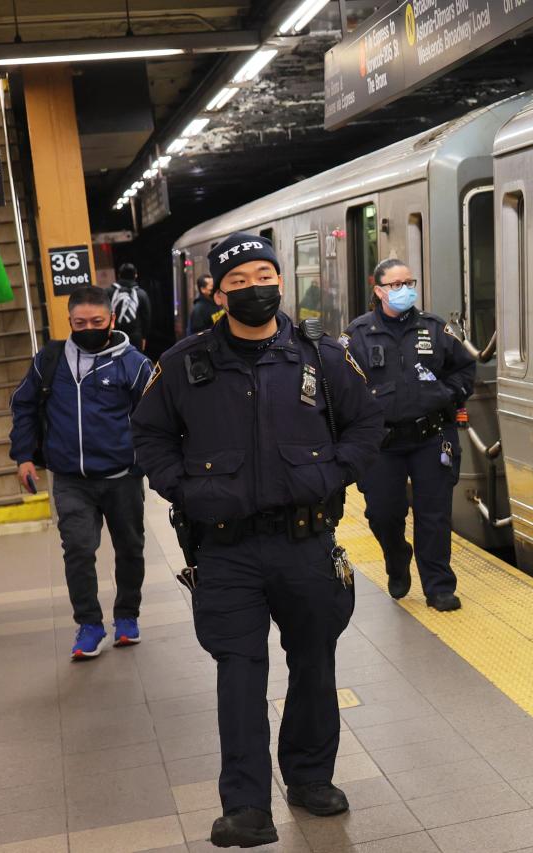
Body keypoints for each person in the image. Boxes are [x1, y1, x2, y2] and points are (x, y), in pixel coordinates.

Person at [132, 232, 384, 848]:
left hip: (306, 544)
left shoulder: (320, 355)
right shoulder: (183, 363)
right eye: (238, 281)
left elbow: (366, 422)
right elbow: (149, 438)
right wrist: (185, 491)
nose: (254, 288)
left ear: (280, 280)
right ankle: (245, 805)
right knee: (239, 674)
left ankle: (309, 778)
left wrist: (332, 472)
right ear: (216, 292)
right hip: (224, 551)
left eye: (264, 275)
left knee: (314, 664)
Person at [8, 286, 154, 659]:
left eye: (97, 322)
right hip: (71, 478)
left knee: (130, 548)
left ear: (112, 320)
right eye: (79, 322)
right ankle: (89, 624)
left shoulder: (134, 364)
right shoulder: (50, 360)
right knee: (77, 549)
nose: (88, 327)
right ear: (69, 320)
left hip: (122, 476)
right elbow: (24, 405)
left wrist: (144, 462)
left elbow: (156, 417)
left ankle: (127, 616)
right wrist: (24, 456)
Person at [342, 259, 475, 611]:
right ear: (379, 290)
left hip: (432, 436)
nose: (404, 289)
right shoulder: (357, 334)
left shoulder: (433, 329)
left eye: (409, 282)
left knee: (434, 515)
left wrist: (446, 395)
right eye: (396, 283)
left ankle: (439, 587)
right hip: (382, 444)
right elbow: (341, 387)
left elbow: (464, 369)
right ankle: (397, 556)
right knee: (383, 514)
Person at [110, 262, 151, 351]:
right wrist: (144, 337)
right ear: (135, 275)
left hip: (114, 337)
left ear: (119, 275)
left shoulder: (108, 292)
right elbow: (146, 318)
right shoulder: (141, 294)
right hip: (135, 337)